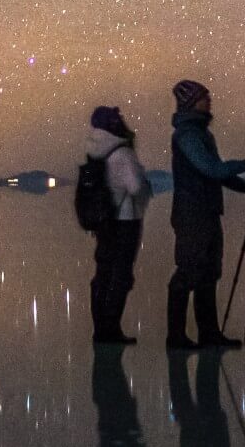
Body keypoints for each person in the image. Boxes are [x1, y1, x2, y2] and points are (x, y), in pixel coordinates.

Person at [166, 79, 245, 351]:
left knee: (209, 273)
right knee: (189, 271)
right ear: (191, 102)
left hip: (206, 212)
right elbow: (210, 168)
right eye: (204, 97)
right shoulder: (188, 135)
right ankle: (176, 338)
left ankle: (209, 334)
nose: (209, 100)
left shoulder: (200, 133)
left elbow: (215, 171)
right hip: (192, 215)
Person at [85, 104, 153, 343]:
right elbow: (135, 187)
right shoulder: (122, 152)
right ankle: (111, 329)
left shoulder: (95, 150)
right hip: (125, 220)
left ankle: (101, 328)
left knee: (104, 273)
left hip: (104, 222)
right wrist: (146, 186)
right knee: (120, 275)